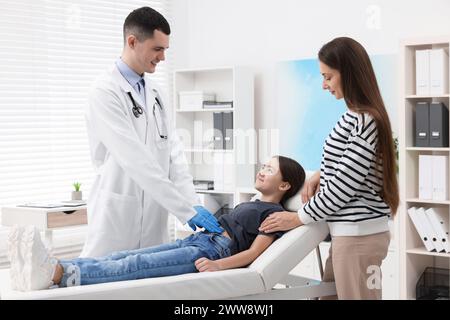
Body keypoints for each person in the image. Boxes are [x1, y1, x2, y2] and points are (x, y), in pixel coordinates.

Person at [8, 156, 305, 291]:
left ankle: (57, 273)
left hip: (213, 253)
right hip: (199, 241)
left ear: (285, 185)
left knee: (135, 265)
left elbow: (254, 254)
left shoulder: (273, 215)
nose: (263, 171)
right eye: (264, 166)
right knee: (123, 255)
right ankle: (50, 266)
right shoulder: (252, 201)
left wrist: (218, 267)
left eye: (271, 169)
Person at [259, 37, 399, 300]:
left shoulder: (366, 120)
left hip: (360, 237)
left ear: (349, 74)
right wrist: (321, 173)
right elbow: (352, 166)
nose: (324, 85)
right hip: (347, 235)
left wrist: (297, 217)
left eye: (329, 77)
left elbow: (343, 188)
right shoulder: (353, 116)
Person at [81, 7, 222, 258]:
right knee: (104, 285)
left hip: (155, 217)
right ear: (132, 42)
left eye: (165, 50)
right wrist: (185, 210)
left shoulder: (156, 93)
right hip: (117, 213)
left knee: (151, 285)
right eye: (157, 49)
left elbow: (174, 155)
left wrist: (192, 203)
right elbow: (134, 159)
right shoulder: (105, 91)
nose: (163, 57)